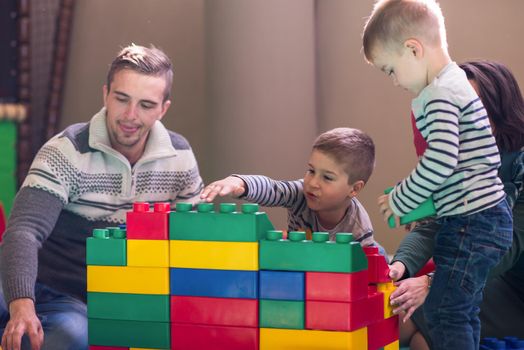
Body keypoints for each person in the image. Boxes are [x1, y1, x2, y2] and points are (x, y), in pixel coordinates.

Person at [0, 44, 204, 350]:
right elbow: (24, 231)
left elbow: (192, 242)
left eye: (146, 105)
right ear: (105, 94)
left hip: (101, 300)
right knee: (58, 331)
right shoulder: (66, 151)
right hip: (41, 285)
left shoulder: (181, 157)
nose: (130, 116)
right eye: (122, 99)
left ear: (163, 109)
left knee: (74, 335)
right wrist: (21, 305)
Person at [363, 1, 513, 349]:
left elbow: (442, 159)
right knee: (461, 311)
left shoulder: (439, 94)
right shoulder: (457, 82)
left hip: (472, 224)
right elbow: (460, 168)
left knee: (447, 311)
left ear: (413, 49)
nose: (395, 81)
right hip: (485, 219)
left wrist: (401, 197)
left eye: (390, 69)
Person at [388, 60, 524, 349]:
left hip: (515, 291)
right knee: (392, 317)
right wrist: (399, 266)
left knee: (423, 334)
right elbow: (432, 226)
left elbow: (507, 248)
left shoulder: (519, 166)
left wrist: (432, 283)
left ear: (499, 112)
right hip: (484, 279)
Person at [200, 127, 385, 253]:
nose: (313, 183)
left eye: (327, 177)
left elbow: (364, 276)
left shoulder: (359, 229)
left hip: (336, 274)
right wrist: (240, 183)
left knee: (379, 256)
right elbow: (273, 188)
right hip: (302, 262)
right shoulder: (301, 194)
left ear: (354, 189)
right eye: (311, 171)